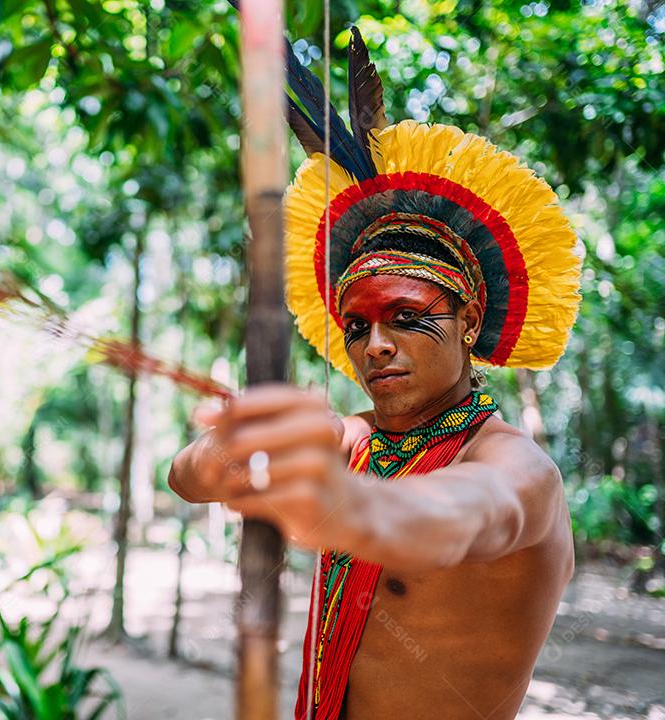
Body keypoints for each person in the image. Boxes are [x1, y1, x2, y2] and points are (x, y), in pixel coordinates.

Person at [168, 27, 583, 720]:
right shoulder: (352, 441)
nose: (374, 346)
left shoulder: (521, 471)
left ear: (469, 323)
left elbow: (454, 517)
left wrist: (343, 500)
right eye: (356, 326)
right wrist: (229, 446)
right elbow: (185, 480)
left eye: (406, 316)